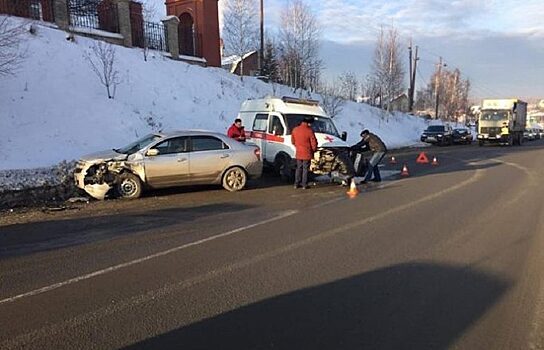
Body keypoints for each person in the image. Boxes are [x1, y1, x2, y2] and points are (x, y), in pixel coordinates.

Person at [291, 117, 318, 189]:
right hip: (307, 152)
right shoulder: (309, 131)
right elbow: (313, 142)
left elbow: (293, 141)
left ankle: (296, 184)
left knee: (298, 168)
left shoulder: (295, 129)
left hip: (299, 152)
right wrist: (314, 150)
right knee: (305, 169)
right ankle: (304, 184)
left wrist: (298, 146)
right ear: (308, 123)